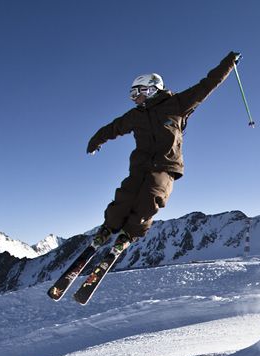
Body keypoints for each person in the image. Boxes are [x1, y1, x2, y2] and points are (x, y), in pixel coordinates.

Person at [85, 51, 241, 249]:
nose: (134, 98)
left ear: (151, 89)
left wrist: (229, 63)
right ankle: (108, 228)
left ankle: (129, 234)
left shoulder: (177, 104)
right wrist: (96, 140)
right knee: (125, 195)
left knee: (150, 198)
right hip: (140, 164)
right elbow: (114, 127)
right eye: (132, 94)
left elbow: (207, 84)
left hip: (166, 166)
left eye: (136, 92)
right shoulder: (135, 115)